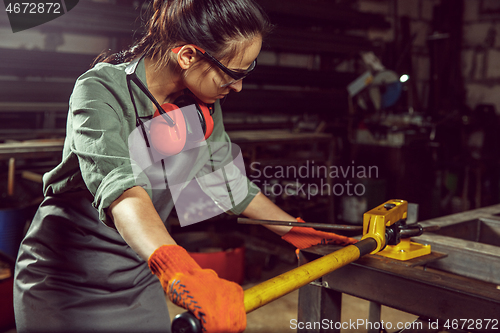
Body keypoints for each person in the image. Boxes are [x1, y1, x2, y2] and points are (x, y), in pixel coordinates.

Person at [13, 0, 356, 332]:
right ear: (188, 55)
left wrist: (299, 232)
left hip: (137, 276)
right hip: (63, 280)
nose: (238, 87)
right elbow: (122, 192)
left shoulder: (202, 105)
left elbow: (225, 183)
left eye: (247, 71)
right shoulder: (99, 90)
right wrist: (181, 272)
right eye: (232, 74)